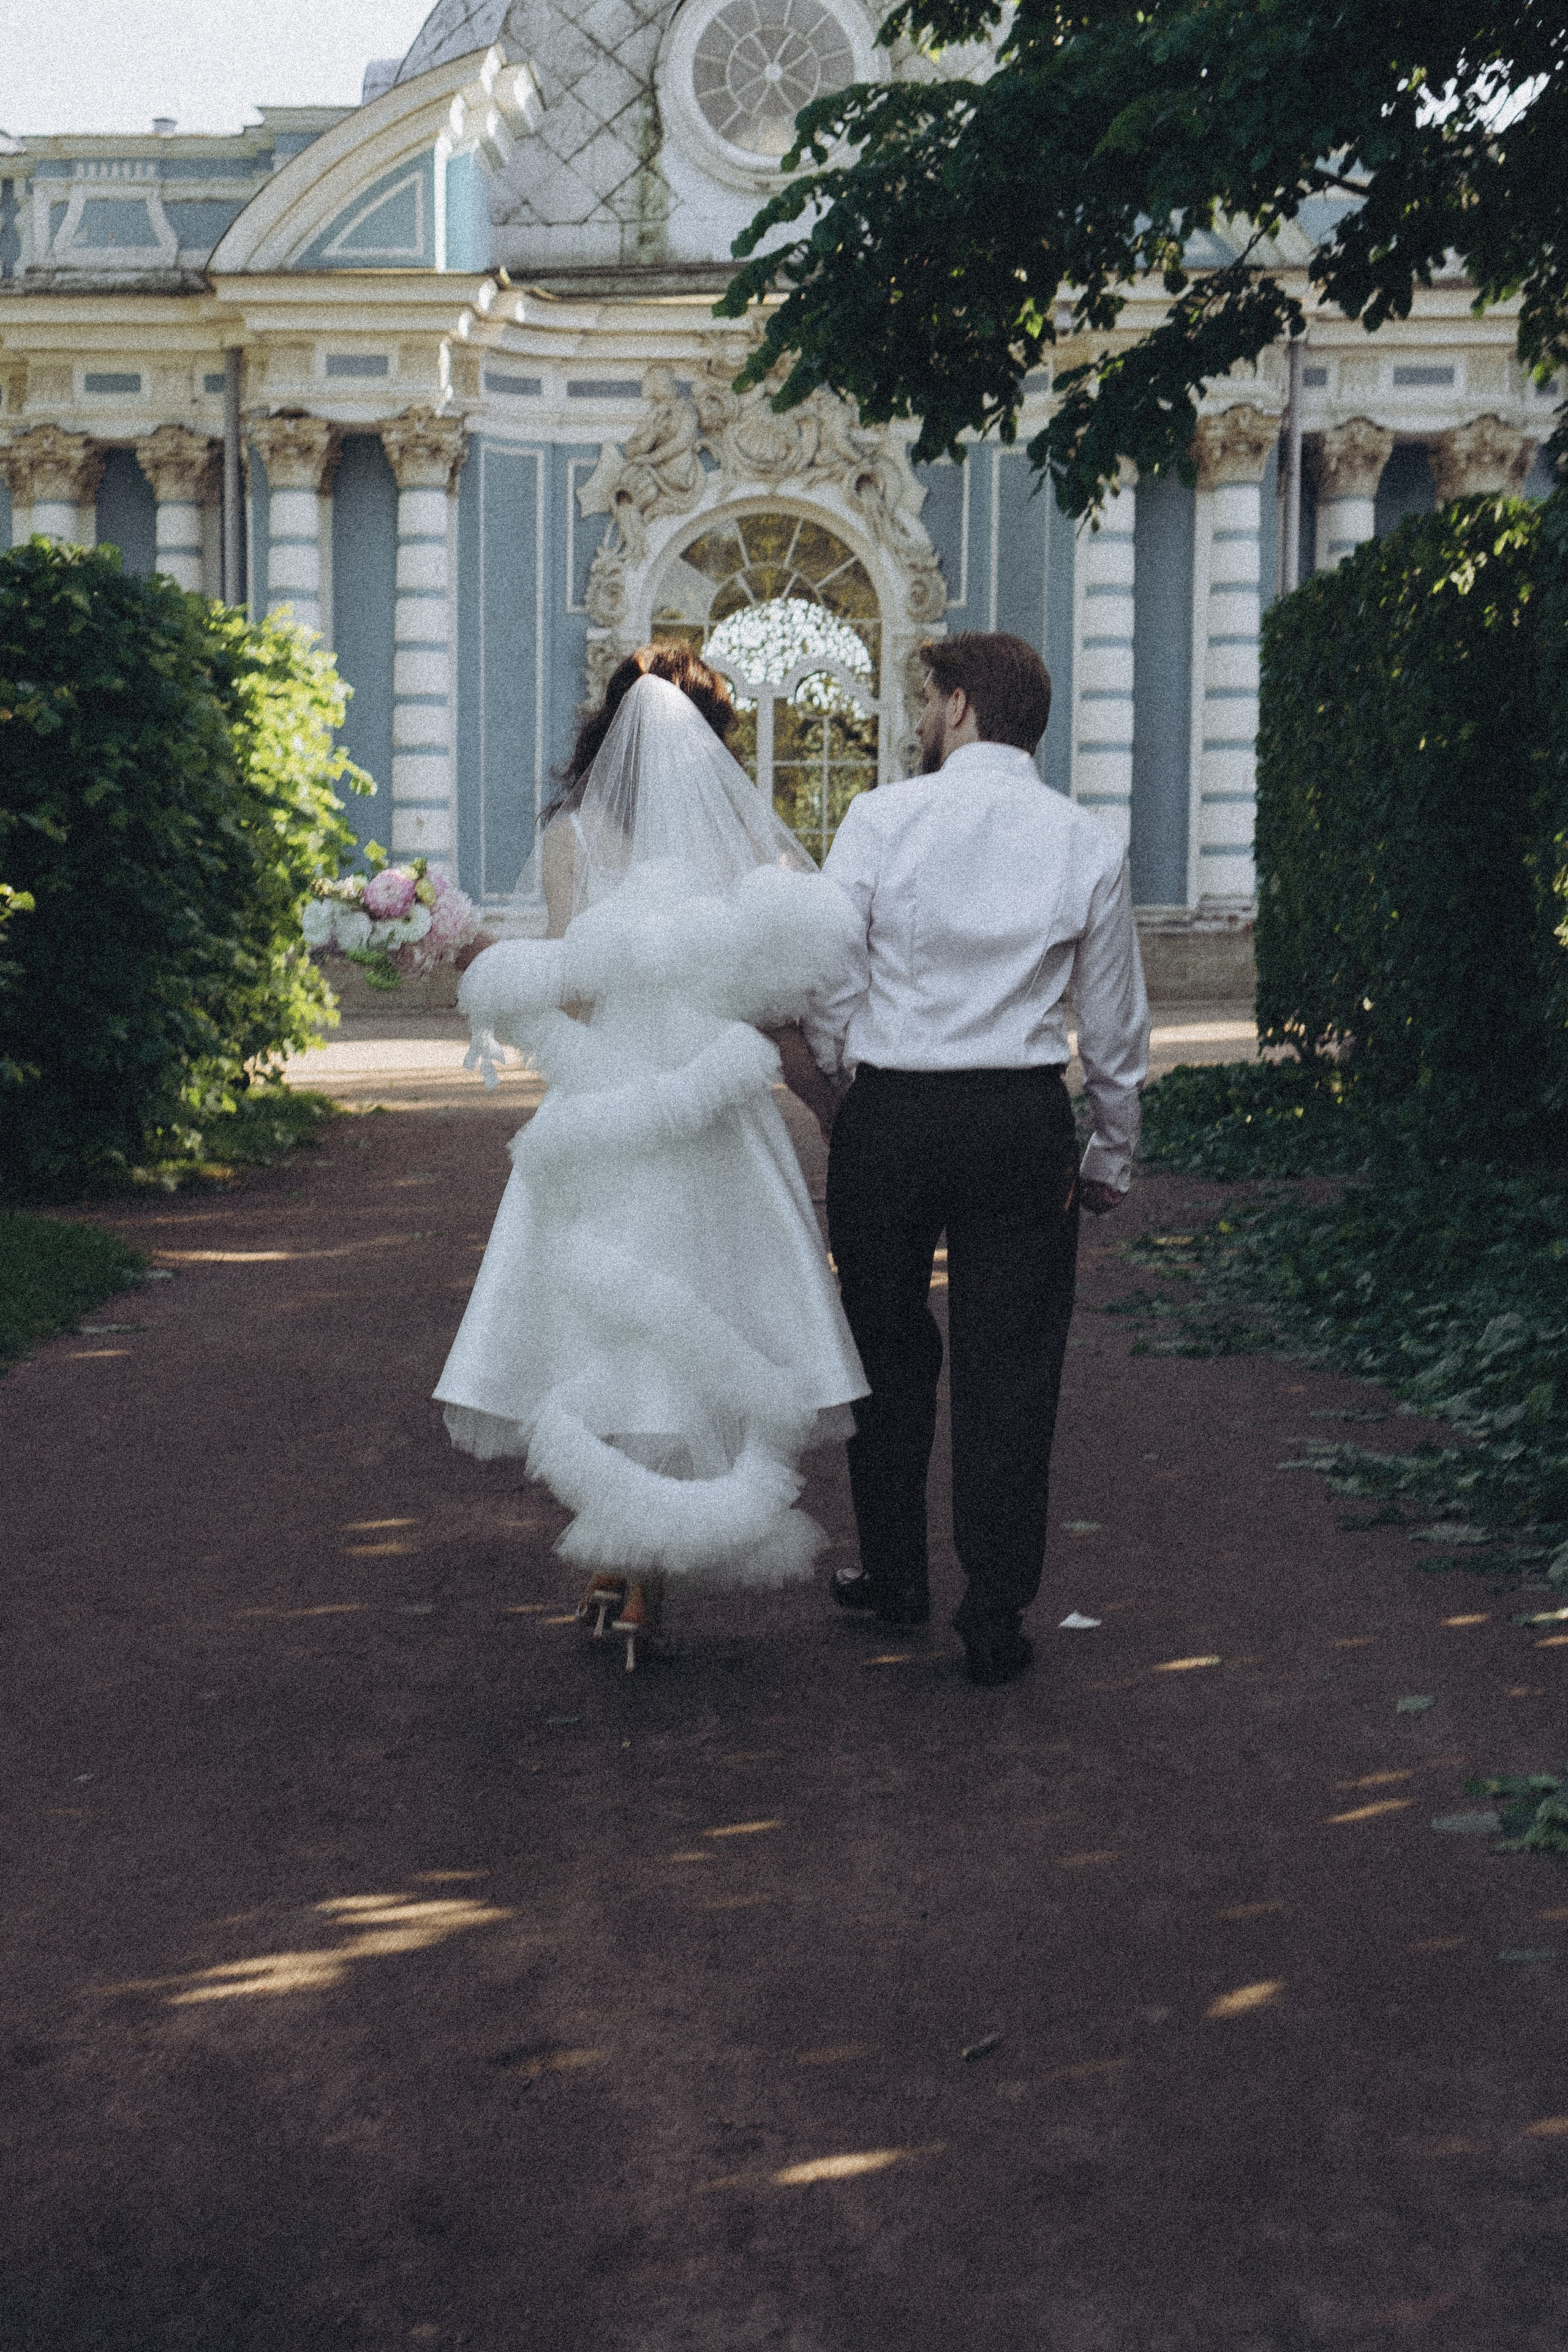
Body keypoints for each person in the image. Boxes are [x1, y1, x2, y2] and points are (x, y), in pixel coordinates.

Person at [435, 649, 868, 1666]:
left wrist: (482, 963)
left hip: (608, 1102)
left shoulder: (575, 836)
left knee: (605, 1326)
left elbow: (576, 991)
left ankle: (622, 1566)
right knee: (704, 1310)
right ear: (712, 742)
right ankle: (644, 1569)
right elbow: (782, 988)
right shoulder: (743, 838)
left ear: (606, 729)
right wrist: (823, 1096)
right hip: (712, 1109)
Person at [802, 630, 1150, 1687]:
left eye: (927, 700)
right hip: (1018, 1120)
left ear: (959, 706)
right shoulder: (1086, 840)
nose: (920, 719)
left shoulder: (879, 818)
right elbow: (1114, 1023)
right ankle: (993, 1614)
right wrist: (1111, 1150)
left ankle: (895, 1576)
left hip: (893, 1114)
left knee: (882, 1347)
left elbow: (831, 974)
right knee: (1012, 1368)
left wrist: (850, 1077)